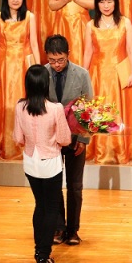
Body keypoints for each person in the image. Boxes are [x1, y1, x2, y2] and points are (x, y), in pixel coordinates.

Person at [13, 65, 72, 263]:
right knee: (51, 209)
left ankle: (40, 252)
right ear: (46, 84)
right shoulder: (55, 108)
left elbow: (18, 138)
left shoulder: (20, 106)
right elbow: (65, 139)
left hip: (30, 162)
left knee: (40, 206)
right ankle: (44, 254)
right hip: (50, 163)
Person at [83, 0, 132, 164]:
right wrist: (83, 76)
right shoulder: (90, 25)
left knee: (119, 111)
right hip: (98, 74)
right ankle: (99, 149)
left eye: (109, 1)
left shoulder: (125, 22)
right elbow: (88, 52)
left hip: (119, 74)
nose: (106, 5)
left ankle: (120, 149)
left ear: (115, 3)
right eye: (102, 1)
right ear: (97, 4)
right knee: (99, 110)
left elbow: (130, 50)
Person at [44, 35, 94, 246]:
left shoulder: (81, 74)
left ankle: (73, 230)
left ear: (68, 55)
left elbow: (88, 108)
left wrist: (83, 138)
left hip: (75, 139)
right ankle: (58, 228)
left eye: (61, 60)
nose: (56, 65)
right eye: (52, 60)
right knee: (53, 184)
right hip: (51, 140)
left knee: (74, 186)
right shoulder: (42, 73)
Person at [0, 0, 41, 160]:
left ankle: (28, 144)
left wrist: (39, 69)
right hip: (5, 66)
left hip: (24, 65)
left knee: (25, 101)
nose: (16, 0)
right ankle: (7, 144)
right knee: (6, 103)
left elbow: (34, 44)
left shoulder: (29, 16)